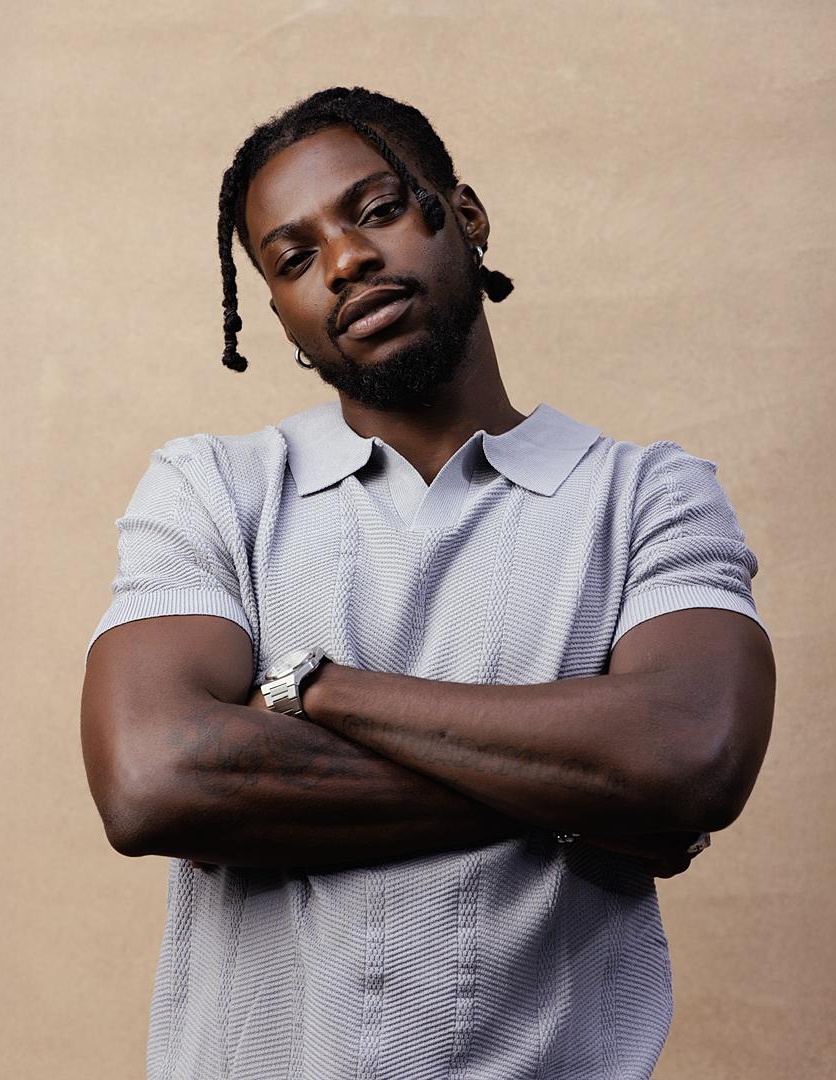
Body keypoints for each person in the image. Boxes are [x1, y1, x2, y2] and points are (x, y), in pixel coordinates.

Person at [81, 86, 775, 1080]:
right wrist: (590, 794)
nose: (346, 262)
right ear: (279, 316)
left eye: (376, 210)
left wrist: (314, 691)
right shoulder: (212, 489)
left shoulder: (649, 496)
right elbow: (155, 780)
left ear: (467, 214)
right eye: (294, 258)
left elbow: (693, 755)